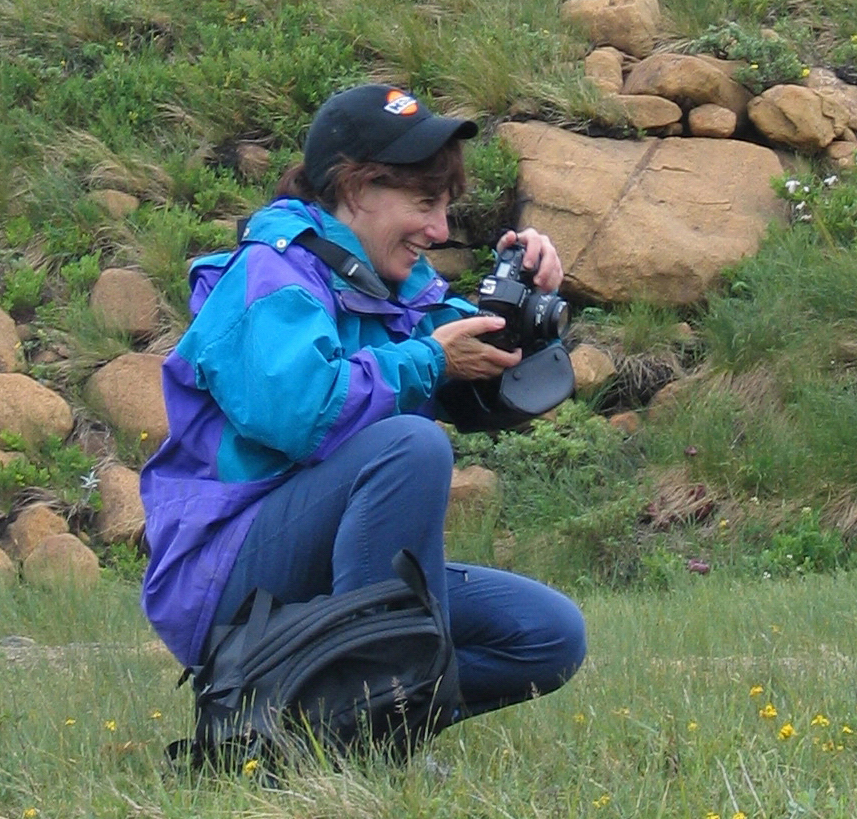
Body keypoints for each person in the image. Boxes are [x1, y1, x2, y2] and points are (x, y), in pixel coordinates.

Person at [140, 84, 586, 723]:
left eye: (446, 206)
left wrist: (518, 304)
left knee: (546, 633)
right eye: (425, 203)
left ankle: (296, 721)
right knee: (411, 446)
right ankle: (366, 733)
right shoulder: (272, 276)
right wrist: (431, 359)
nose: (438, 229)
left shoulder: (390, 280)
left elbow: (472, 377)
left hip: (317, 562)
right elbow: (302, 416)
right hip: (226, 578)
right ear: (356, 190)